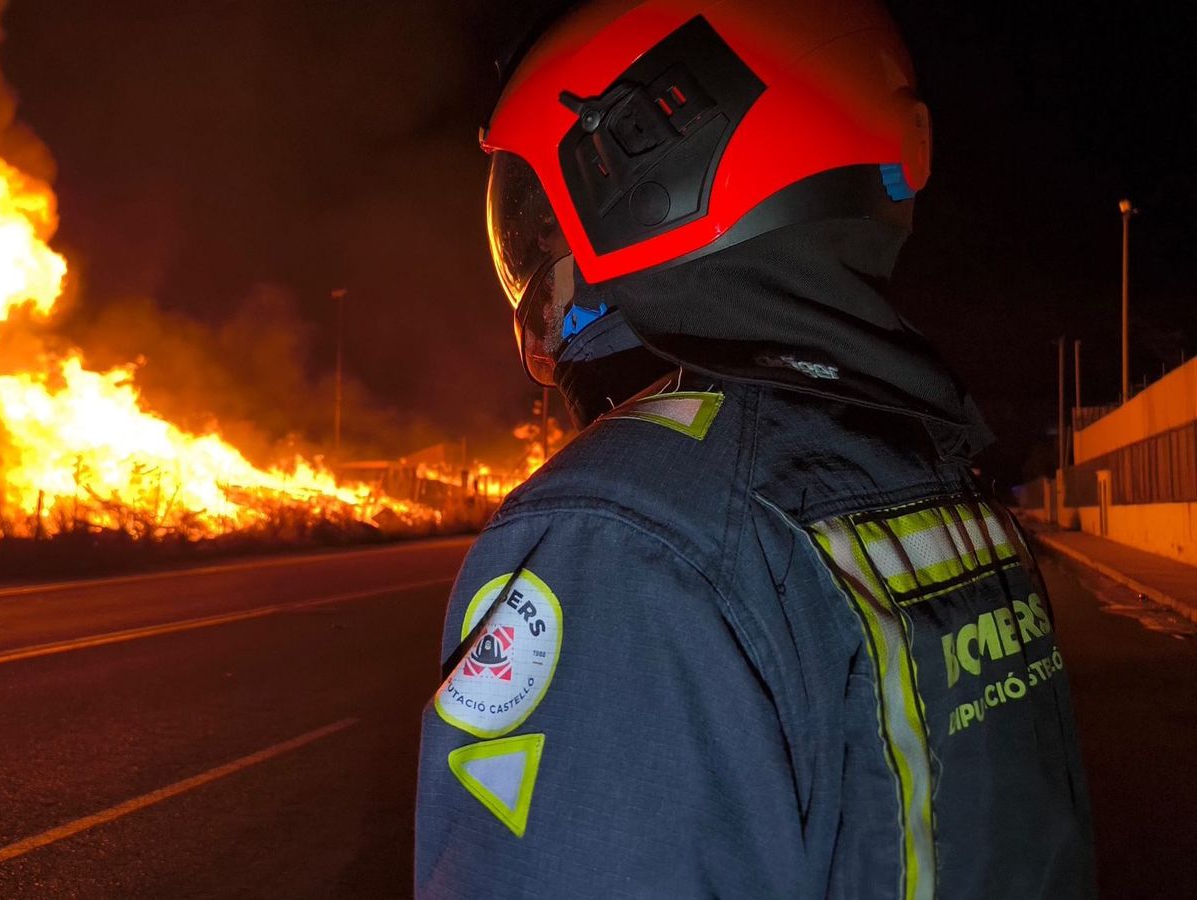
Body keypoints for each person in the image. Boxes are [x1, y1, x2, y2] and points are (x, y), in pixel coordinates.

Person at [413, 1, 1096, 897]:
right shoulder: (930, 472)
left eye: (544, 221)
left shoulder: (625, 535)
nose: (538, 257)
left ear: (653, 163)